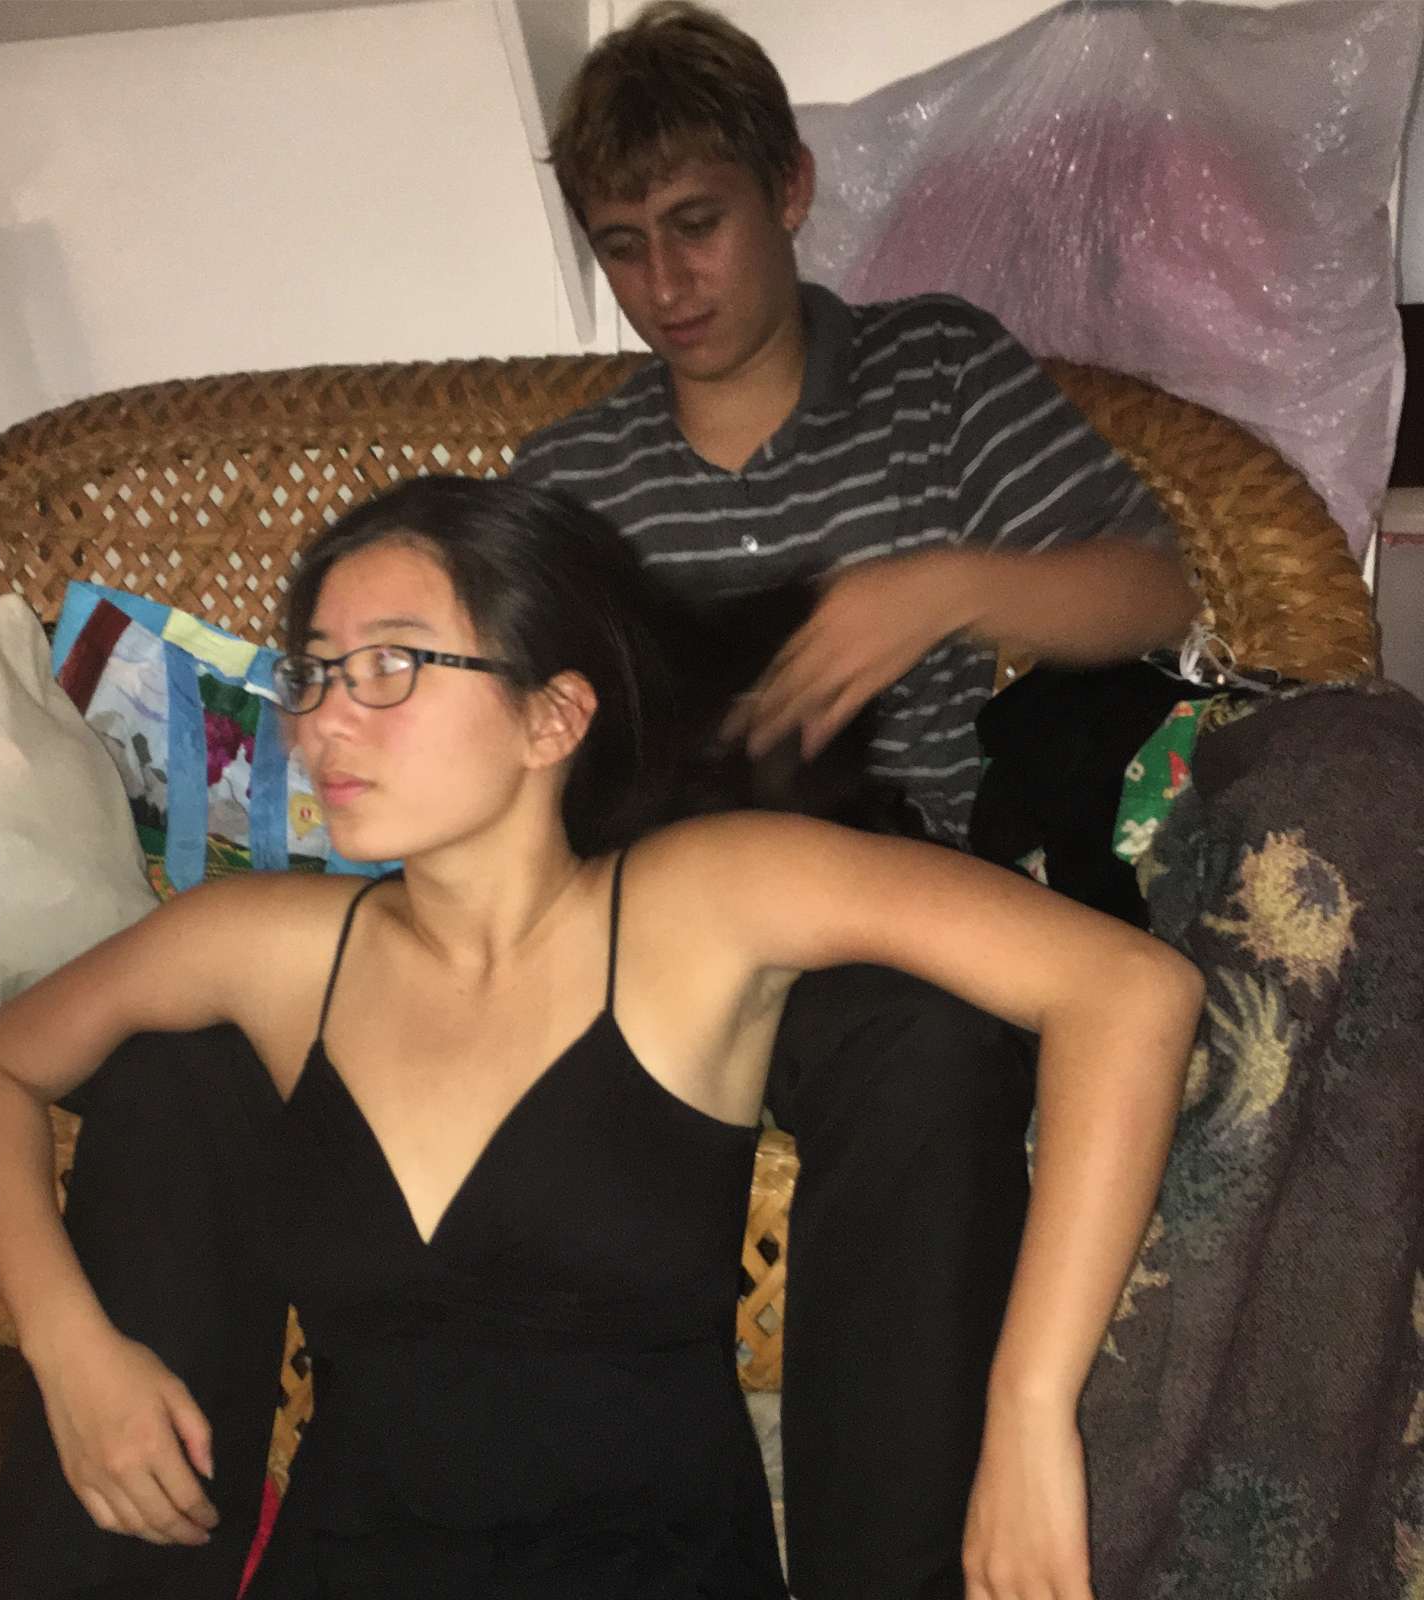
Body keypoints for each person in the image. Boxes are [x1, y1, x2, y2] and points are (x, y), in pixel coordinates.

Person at [0, 477, 1201, 1600]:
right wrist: (70, 1346)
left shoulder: (701, 902)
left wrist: (1029, 1414)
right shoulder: (262, 944)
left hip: (651, 1572)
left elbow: (1126, 989)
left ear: (552, 719)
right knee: (163, 1078)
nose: (322, 723)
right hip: (351, 1569)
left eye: (391, 665)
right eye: (314, 673)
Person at [512, 6, 1201, 1595]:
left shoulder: (929, 371)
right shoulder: (569, 482)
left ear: (791, 188)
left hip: (889, 911)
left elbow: (1154, 589)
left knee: (933, 1054)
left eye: (698, 224)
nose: (666, 284)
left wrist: (948, 586)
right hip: (649, 918)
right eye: (622, 247)